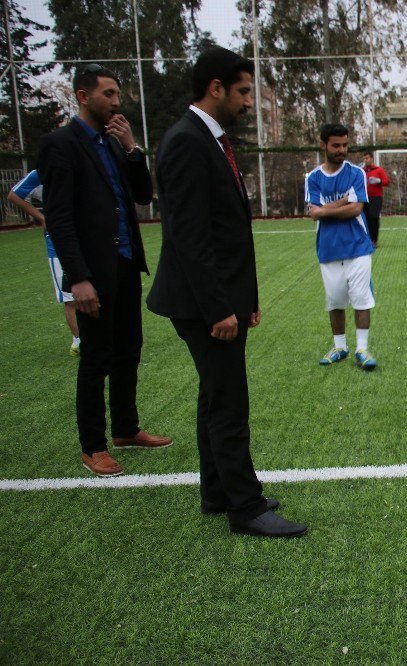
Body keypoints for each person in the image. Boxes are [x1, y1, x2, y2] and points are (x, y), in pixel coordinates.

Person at [147, 45, 306, 537]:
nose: (247, 103)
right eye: (241, 92)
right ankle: (245, 506)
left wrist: (246, 299)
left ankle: (217, 490)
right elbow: (190, 238)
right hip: (202, 304)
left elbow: (227, 231)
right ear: (215, 88)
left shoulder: (208, 140)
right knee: (229, 401)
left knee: (215, 397)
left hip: (218, 299)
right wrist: (220, 308)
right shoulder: (187, 143)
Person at [37, 64, 171, 478]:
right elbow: (58, 217)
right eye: (109, 94)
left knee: (129, 350)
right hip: (92, 272)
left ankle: (126, 430)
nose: (117, 102)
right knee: (96, 358)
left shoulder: (113, 144)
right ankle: (92, 446)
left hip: (126, 264)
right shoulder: (60, 145)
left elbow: (142, 195)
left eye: (117, 94)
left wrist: (132, 149)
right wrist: (77, 277)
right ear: (83, 95)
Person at [306, 124, 378, 371]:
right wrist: (343, 201)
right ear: (323, 144)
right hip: (328, 249)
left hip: (358, 246)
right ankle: (340, 347)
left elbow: (356, 209)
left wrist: (325, 210)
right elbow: (313, 215)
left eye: (345, 145)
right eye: (336, 145)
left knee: (361, 299)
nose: (341, 150)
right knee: (335, 301)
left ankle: (362, 349)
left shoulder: (357, 173)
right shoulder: (313, 178)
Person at [7, 170, 81, 355]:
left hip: (85, 239)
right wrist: (43, 218)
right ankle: (79, 340)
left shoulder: (81, 165)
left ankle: (95, 338)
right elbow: (13, 195)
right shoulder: (41, 172)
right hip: (57, 243)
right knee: (69, 297)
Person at [361, 151, 390, 247]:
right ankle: (368, 239)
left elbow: (387, 181)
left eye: (367, 158)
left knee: (374, 216)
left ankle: (374, 240)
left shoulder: (378, 170)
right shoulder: (362, 171)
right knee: (366, 218)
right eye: (364, 159)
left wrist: (379, 181)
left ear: (372, 159)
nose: (365, 160)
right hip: (364, 198)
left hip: (376, 197)